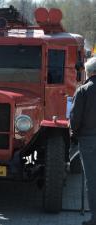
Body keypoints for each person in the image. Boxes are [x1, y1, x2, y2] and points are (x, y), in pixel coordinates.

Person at [70, 57, 96, 225]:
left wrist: (74, 134)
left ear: (90, 71)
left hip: (89, 140)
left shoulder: (83, 90)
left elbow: (75, 118)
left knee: (92, 180)